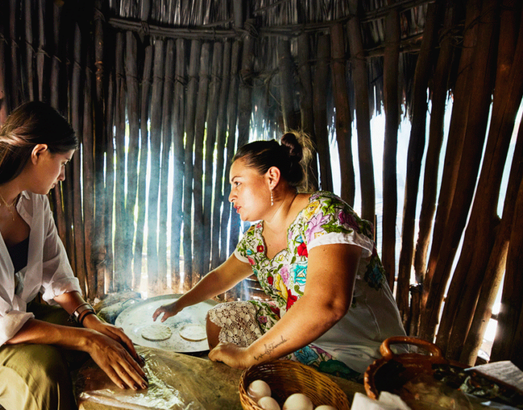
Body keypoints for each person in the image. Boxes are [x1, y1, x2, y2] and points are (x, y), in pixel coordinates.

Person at [0, 101, 147, 410]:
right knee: (41, 371)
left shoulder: (33, 203)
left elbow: (56, 274)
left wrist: (89, 321)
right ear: (38, 153)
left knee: (101, 334)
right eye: (63, 163)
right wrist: (88, 339)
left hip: (10, 316)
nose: (63, 175)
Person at [153, 134, 406, 381]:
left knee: (263, 367)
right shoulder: (257, 237)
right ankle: (235, 390)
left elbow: (328, 305)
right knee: (219, 318)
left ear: (271, 177)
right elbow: (221, 277)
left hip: (356, 349)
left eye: (237, 183)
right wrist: (178, 304)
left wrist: (249, 355)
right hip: (298, 332)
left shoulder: (324, 214)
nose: (231, 195)